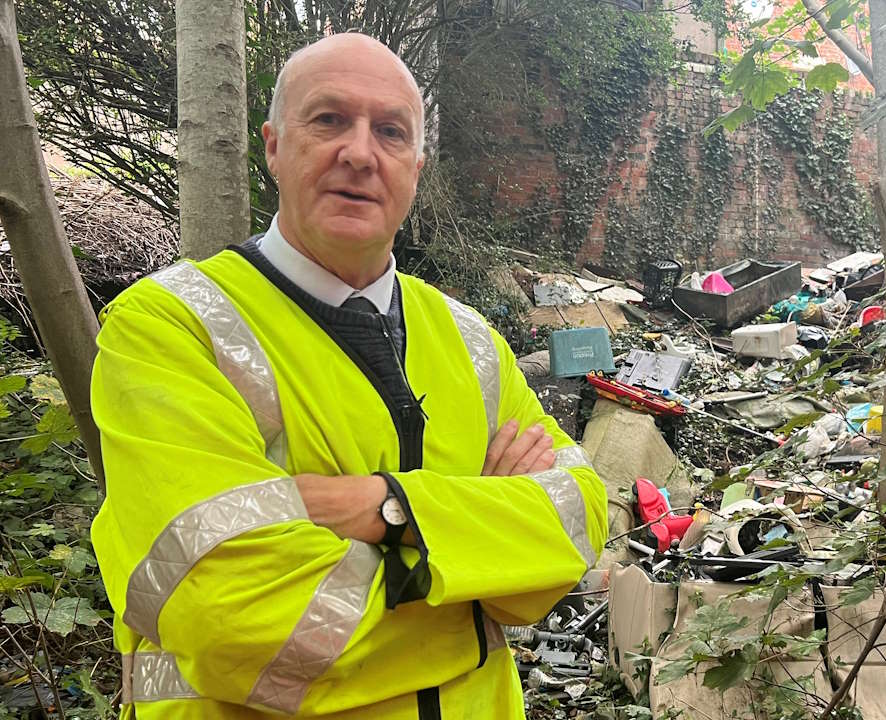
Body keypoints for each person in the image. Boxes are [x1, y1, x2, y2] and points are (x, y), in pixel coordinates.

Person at [90, 32, 606, 719]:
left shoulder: (471, 340)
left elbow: (576, 521)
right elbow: (236, 620)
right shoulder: (168, 328)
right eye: (329, 119)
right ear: (273, 145)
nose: (360, 153)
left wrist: (382, 507)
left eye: (390, 131)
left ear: (416, 167)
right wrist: (480, 594)